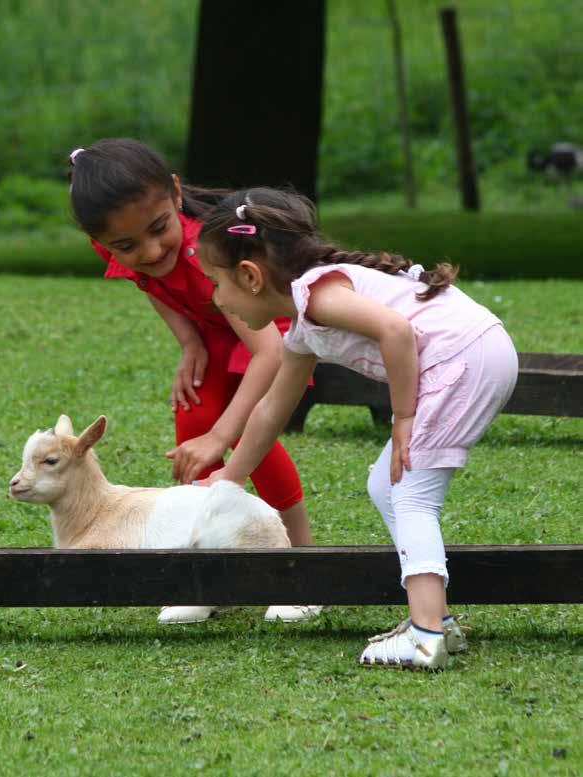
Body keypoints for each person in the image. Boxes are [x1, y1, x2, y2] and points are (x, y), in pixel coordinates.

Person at [197, 187, 518, 669]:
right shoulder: (307, 321)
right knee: (387, 484)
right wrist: (231, 474)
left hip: (462, 359)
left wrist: (404, 416)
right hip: (479, 353)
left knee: (411, 492)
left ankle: (427, 634)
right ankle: (438, 623)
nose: (215, 296)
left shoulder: (319, 293)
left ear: (251, 275)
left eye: (216, 282)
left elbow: (395, 330)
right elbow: (271, 409)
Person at [67, 139, 323, 625]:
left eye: (158, 229)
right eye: (126, 246)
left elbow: (269, 353)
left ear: (176, 194)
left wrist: (224, 436)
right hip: (217, 335)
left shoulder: (204, 252)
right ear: (99, 241)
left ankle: (301, 567)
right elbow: (152, 286)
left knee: (256, 442)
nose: (149, 250)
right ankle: (207, 570)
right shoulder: (125, 247)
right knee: (193, 421)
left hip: (271, 337)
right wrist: (189, 343)